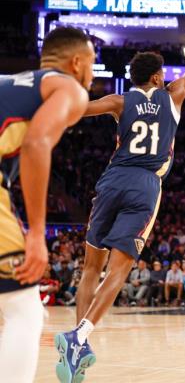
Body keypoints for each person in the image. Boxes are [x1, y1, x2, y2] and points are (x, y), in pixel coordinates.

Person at [54, 7, 185, 383]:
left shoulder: (119, 101)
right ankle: (81, 336)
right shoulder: (174, 95)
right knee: (119, 272)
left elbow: (74, 112)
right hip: (144, 185)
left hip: (111, 180)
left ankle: (78, 345)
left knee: (91, 267)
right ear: (157, 76)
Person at [0, 26, 94, 383]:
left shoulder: (10, 82)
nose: (91, 72)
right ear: (77, 61)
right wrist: (37, 233)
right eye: (92, 62)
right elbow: (37, 143)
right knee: (24, 308)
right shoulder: (69, 87)